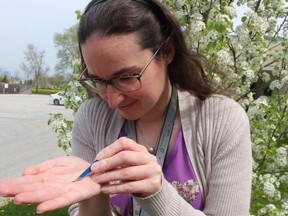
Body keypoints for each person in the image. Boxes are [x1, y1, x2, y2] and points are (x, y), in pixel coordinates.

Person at [0, 0, 252, 215]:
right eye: (98, 80)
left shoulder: (222, 120)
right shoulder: (92, 117)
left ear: (167, 52)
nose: (112, 100)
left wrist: (157, 194)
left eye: (127, 77)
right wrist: (92, 193)